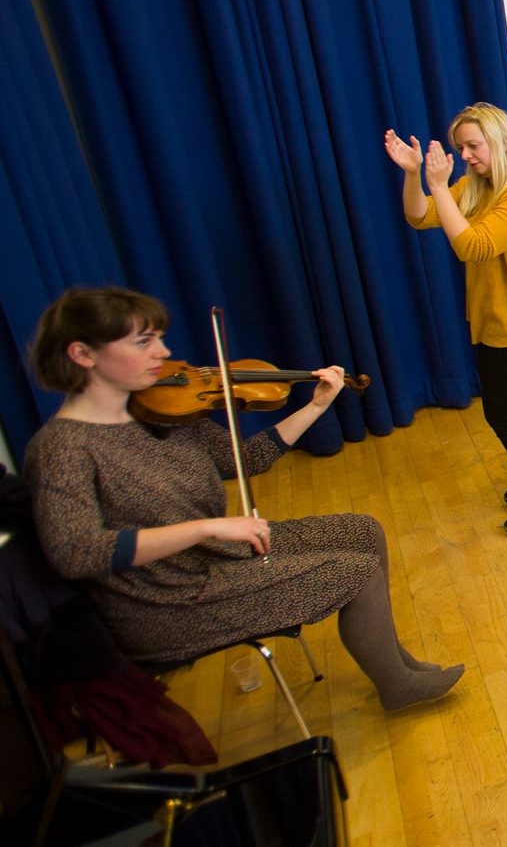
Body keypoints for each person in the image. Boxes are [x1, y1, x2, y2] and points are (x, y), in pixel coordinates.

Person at [22, 287, 463, 712]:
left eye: (157, 337)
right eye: (143, 341)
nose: (162, 351)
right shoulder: (62, 447)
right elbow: (76, 553)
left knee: (362, 531)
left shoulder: (162, 410)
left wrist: (316, 407)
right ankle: (399, 686)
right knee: (356, 572)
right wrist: (206, 527)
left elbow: (246, 458)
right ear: (83, 355)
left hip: (217, 558)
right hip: (167, 604)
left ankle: (395, 661)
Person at [385, 103, 507, 535]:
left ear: (500, 141)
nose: (465, 155)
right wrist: (415, 176)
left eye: (472, 146)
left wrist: (440, 186)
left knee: (503, 413)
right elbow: (418, 216)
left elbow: (475, 246)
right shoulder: (477, 185)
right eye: (460, 147)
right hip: (493, 317)